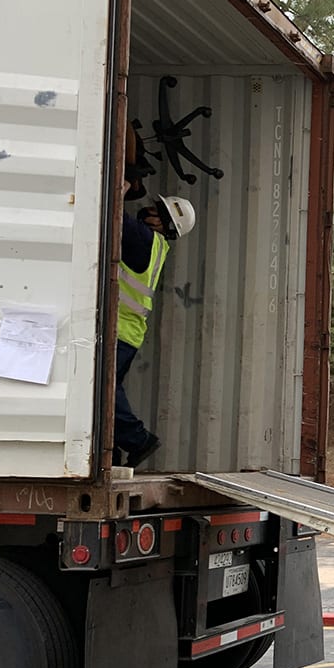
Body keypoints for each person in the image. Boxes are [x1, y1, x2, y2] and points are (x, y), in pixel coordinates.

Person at [115, 192, 196, 468]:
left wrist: (120, 188)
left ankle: (139, 440)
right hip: (127, 332)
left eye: (155, 209)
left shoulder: (144, 239)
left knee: (105, 390)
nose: (147, 209)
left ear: (164, 223)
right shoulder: (154, 244)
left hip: (120, 330)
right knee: (105, 392)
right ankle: (110, 451)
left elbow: (110, 214)